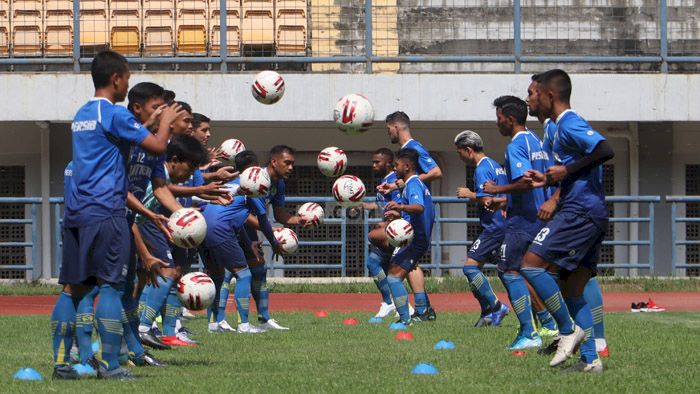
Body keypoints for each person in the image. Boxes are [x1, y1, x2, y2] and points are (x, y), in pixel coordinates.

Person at [51, 50, 180, 380]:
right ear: (116, 79)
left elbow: (112, 145)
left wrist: (146, 124)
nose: (128, 84)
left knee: (73, 289)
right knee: (110, 287)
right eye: (128, 78)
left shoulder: (82, 113)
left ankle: (64, 365)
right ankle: (110, 365)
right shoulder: (114, 114)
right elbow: (156, 147)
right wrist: (164, 125)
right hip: (107, 210)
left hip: (77, 212)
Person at [520, 69, 614, 372]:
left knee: (530, 265)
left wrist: (566, 173)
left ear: (549, 95)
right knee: (572, 288)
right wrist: (545, 178)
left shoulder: (570, 122)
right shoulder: (555, 129)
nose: (528, 98)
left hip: (581, 212)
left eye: (532, 93)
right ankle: (590, 361)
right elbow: (573, 170)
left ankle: (566, 329)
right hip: (586, 211)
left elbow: (605, 150)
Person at [481, 96, 548, 350]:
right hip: (539, 216)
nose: (497, 122)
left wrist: (499, 188)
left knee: (509, 272)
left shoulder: (516, 146)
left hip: (523, 221)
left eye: (498, 117)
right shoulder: (536, 141)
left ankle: (529, 332)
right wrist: (503, 200)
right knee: (533, 273)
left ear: (509, 119)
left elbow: (525, 182)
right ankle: (551, 323)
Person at [135, 135, 209, 348]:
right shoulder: (156, 172)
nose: (191, 174)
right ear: (175, 159)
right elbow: (130, 205)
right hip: (122, 226)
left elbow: (160, 194)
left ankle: (137, 334)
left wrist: (184, 215)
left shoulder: (161, 178)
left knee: (147, 277)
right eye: (191, 167)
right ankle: (141, 329)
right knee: (164, 272)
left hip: (137, 225)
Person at [202, 150, 285, 333]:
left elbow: (236, 219)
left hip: (203, 228)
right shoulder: (251, 188)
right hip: (221, 231)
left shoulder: (229, 184)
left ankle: (214, 324)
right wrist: (274, 242)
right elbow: (263, 221)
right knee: (244, 275)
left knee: (217, 277)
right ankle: (244, 325)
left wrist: (248, 243)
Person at [378, 111, 441, 321]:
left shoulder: (413, 149)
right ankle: (423, 310)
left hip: (415, 227)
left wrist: (406, 184)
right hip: (411, 225)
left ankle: (408, 316)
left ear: (396, 127)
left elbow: (436, 172)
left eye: (388, 129)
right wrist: (396, 187)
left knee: (394, 273)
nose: (388, 133)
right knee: (406, 265)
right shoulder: (406, 163)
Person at [453, 130, 510, 328]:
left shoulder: (481, 169)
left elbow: (487, 199)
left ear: (468, 150)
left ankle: (496, 307)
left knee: (469, 267)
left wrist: (469, 193)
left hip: (493, 227)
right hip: (501, 225)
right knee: (504, 272)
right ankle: (487, 313)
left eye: (459, 153)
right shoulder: (495, 165)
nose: (459, 157)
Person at [383, 148, 435, 325]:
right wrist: (398, 215)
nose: (394, 168)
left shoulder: (412, 183)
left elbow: (419, 207)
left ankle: (405, 320)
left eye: (396, 165)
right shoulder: (414, 183)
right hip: (416, 237)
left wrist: (400, 207)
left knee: (393, 277)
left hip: (415, 238)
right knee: (397, 271)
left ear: (406, 166)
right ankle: (422, 311)